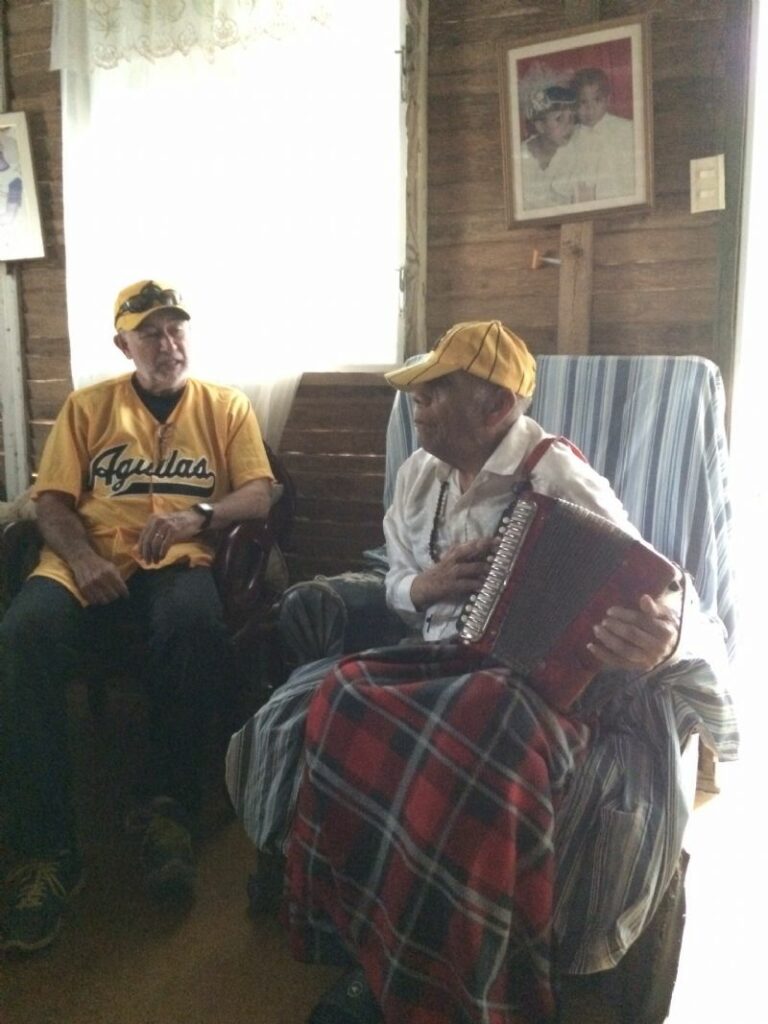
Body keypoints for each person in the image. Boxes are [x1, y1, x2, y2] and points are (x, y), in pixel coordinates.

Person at [227, 320, 737, 1023]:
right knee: (342, 693)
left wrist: (664, 635)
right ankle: (363, 943)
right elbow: (395, 576)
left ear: (496, 406)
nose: (417, 403)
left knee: (474, 728)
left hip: (536, 688)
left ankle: (452, 988)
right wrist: (424, 586)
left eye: (436, 391)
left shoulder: (558, 475)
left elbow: (657, 581)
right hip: (438, 658)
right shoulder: (420, 475)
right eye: (418, 390)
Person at [0, 279, 274, 953]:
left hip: (175, 560)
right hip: (86, 562)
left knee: (193, 625)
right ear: (123, 344)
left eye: (175, 329)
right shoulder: (87, 407)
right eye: (150, 332)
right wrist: (80, 557)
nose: (167, 343)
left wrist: (198, 514)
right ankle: (46, 849)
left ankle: (168, 806)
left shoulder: (225, 406)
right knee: (22, 634)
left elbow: (260, 493)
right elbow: (51, 501)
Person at [566, 66, 636, 202]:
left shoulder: (627, 129)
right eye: (583, 102)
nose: (590, 109)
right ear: (574, 105)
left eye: (597, 100)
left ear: (608, 100)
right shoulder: (568, 137)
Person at [518, 85, 579, 211]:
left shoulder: (573, 153)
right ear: (540, 126)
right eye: (559, 119)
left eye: (571, 118)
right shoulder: (520, 158)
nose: (568, 125)